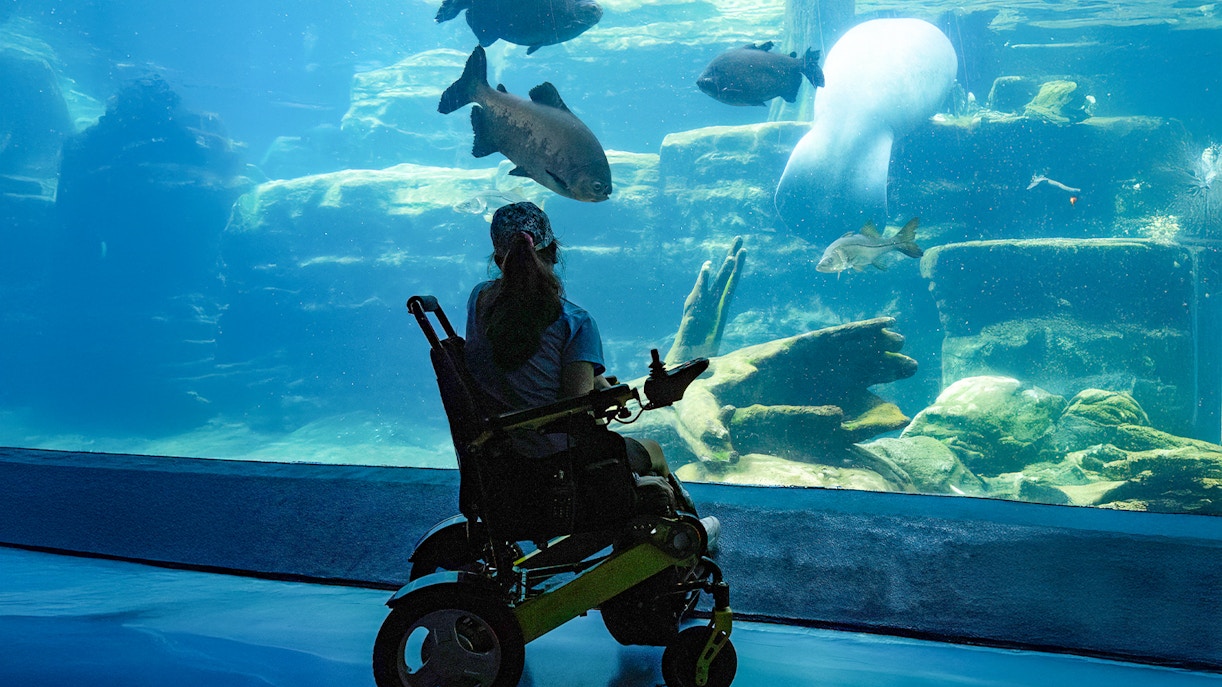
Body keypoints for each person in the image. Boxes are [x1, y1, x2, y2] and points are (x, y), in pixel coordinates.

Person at [464, 201, 692, 509]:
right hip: (553, 463)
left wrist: (596, 381)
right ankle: (684, 531)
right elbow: (577, 409)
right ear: (554, 252)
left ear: (498, 258)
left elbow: (524, 361)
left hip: (497, 456)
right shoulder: (574, 321)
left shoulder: (479, 299)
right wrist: (614, 396)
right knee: (654, 452)